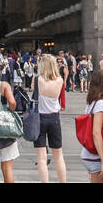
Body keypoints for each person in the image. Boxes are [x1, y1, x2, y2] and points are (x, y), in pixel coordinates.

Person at [31, 54, 66, 183]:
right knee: (58, 156)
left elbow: (32, 91)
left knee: (41, 157)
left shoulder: (38, 80)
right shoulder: (60, 80)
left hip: (39, 118)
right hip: (54, 118)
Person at [80, 68, 103, 183]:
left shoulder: (92, 102)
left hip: (91, 154)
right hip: (95, 156)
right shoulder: (100, 104)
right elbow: (96, 132)